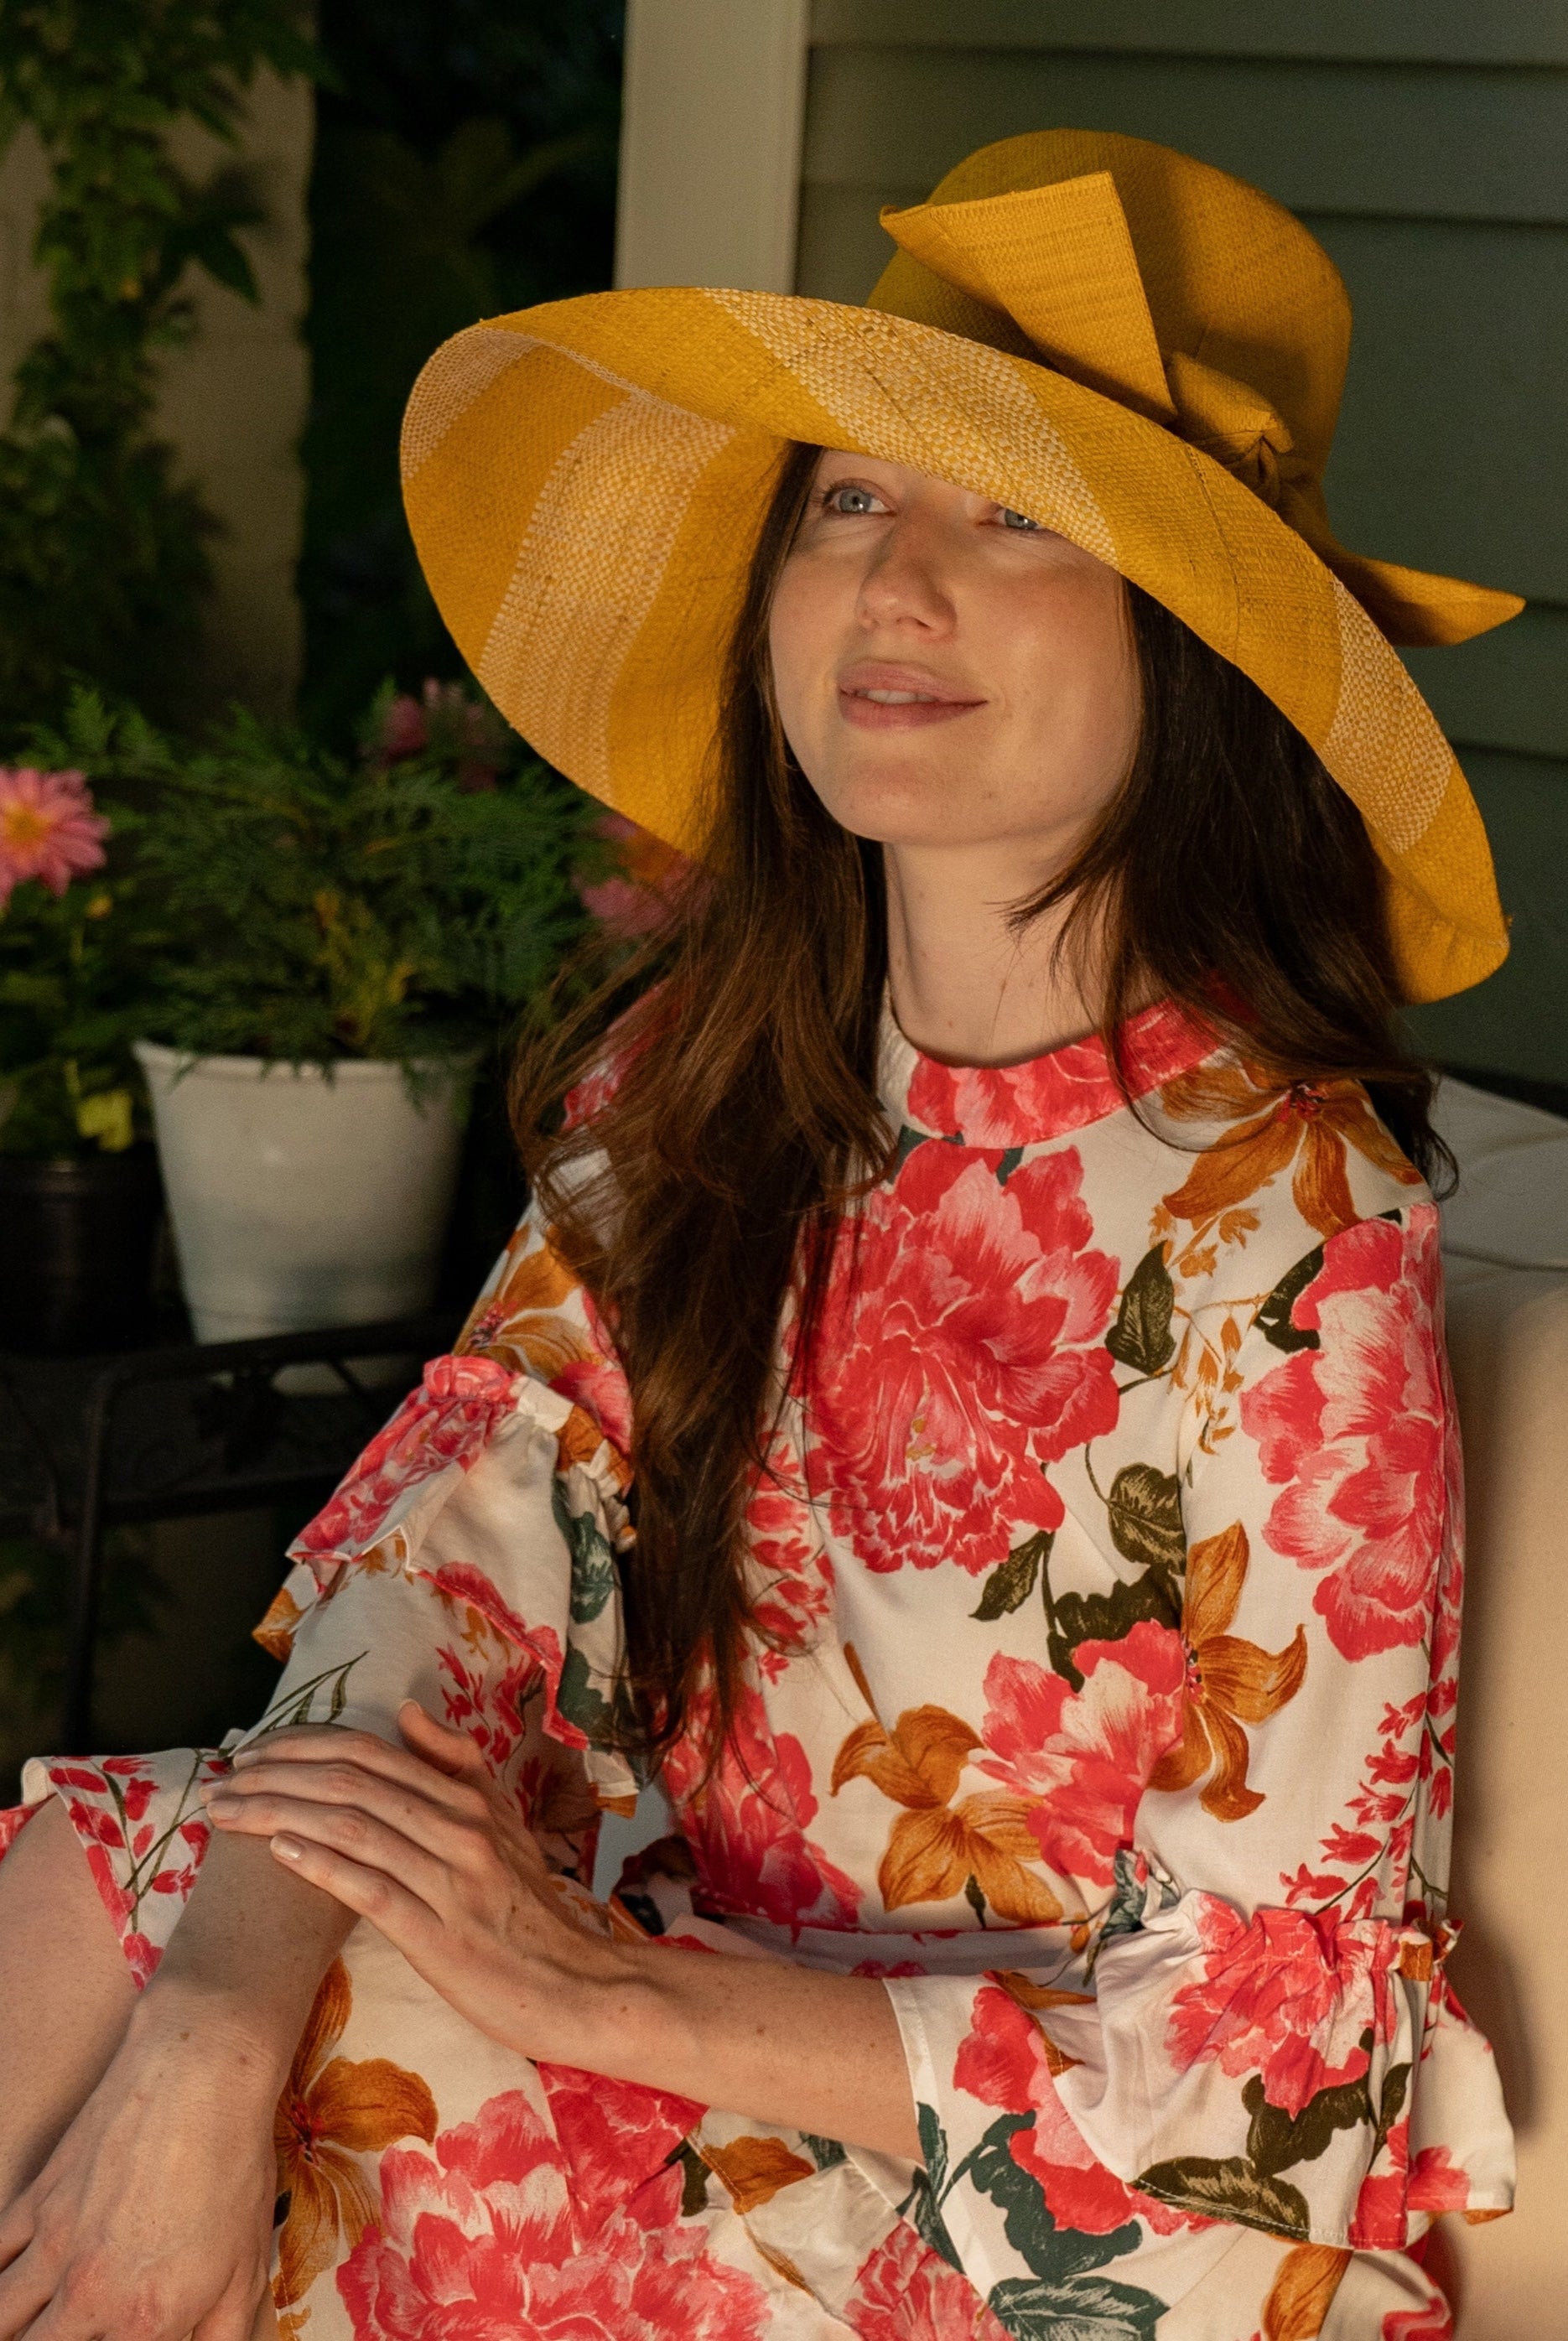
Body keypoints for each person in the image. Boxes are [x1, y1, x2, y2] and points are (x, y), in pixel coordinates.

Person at [0, 129, 1520, 2341]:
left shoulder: (1295, 1225)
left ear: (1193, 641)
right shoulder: (700, 1074)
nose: (898, 583)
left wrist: (607, 1991)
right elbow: (456, 1551)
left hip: (1045, 2194)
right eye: (848, 498)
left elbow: (1254, 2062)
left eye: (1015, 518)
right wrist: (216, 2042)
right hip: (668, 2047)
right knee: (143, 1890)